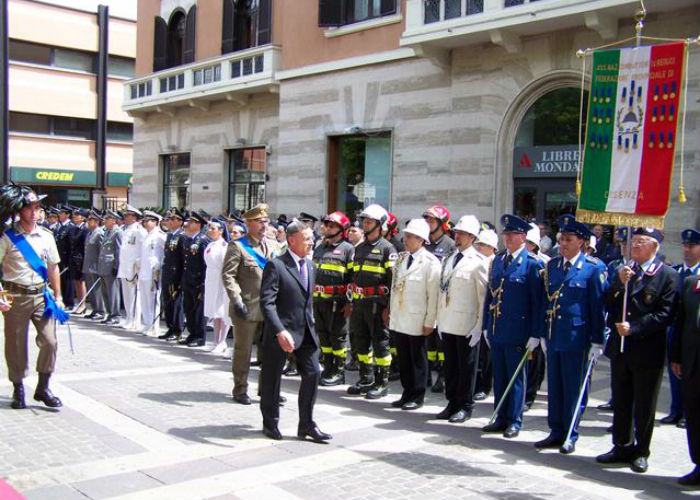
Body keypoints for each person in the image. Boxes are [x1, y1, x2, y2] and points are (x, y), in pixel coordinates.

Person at [597, 227, 679, 473]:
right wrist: (619, 284)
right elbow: (609, 303)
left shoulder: (667, 275)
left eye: (641, 241)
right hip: (621, 348)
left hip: (647, 349)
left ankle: (641, 450)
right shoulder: (623, 271)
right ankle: (621, 444)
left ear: (655, 246)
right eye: (634, 241)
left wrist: (634, 327)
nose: (634, 245)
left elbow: (665, 314)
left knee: (644, 402)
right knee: (621, 399)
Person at [535, 216, 606, 454]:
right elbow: (545, 301)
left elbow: (597, 307)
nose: (563, 244)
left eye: (568, 239)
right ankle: (555, 430)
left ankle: (570, 433)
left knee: (574, 388)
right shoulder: (552, 266)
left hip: (578, 339)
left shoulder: (592, 269)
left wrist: (598, 340)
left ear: (582, 242)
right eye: (561, 239)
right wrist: (542, 333)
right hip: (555, 336)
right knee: (555, 386)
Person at [259, 220, 330, 442]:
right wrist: (280, 331)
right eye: (307, 238)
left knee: (313, 373)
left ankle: (306, 424)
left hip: (306, 332)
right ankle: (270, 423)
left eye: (312, 238)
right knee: (272, 379)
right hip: (280, 332)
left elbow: (306, 302)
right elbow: (267, 303)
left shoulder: (310, 265)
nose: (312, 242)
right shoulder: (277, 265)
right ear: (292, 240)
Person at [0, 186, 66, 409]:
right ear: (20, 211)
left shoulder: (46, 236)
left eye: (37, 207)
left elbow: (53, 267)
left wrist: (58, 296)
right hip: (15, 297)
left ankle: (43, 387)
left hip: (41, 296)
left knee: (50, 341)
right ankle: (18, 387)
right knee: (15, 345)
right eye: (30, 208)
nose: (35, 212)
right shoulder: (7, 237)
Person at [482, 214, 544, 439]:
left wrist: (536, 334)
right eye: (506, 234)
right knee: (499, 376)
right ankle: (500, 415)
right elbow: (490, 296)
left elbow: (538, 303)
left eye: (513, 234)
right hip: (498, 330)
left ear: (523, 237)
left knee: (516, 378)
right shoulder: (498, 260)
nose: (508, 238)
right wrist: (486, 326)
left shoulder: (532, 264)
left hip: (519, 332)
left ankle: (515, 420)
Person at [222, 203, 278, 405]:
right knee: (243, 351)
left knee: (269, 352)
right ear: (249, 223)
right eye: (260, 222)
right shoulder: (238, 246)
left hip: (269, 308)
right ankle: (240, 389)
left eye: (266, 221)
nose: (265, 225)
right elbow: (228, 276)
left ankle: (267, 389)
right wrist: (236, 300)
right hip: (246, 307)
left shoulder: (272, 245)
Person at [435, 215, 488, 421]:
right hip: (448, 321)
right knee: (451, 367)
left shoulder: (479, 262)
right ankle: (452, 402)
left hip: (467, 325)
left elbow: (483, 297)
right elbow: (443, 289)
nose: (457, 236)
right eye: (456, 232)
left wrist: (479, 327)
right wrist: (440, 318)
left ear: (472, 237)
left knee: (466, 368)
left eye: (462, 234)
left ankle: (465, 406)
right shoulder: (449, 258)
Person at [388, 219, 440, 410]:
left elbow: (433, 295)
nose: (406, 239)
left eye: (410, 236)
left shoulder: (430, 262)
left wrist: (430, 321)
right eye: (406, 236)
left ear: (421, 239)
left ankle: (417, 395)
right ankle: (406, 392)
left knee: (417, 358)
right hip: (400, 317)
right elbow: (395, 288)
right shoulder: (402, 258)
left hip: (418, 318)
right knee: (404, 358)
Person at [346, 204, 397, 399]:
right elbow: (353, 277)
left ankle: (381, 382)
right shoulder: (359, 248)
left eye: (369, 222)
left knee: (380, 344)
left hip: (377, 305)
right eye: (364, 221)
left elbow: (393, 282)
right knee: (360, 342)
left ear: (380, 225)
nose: (365, 224)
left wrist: (389, 307)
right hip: (359, 303)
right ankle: (365, 378)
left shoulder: (387, 249)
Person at [312, 211, 354, 386]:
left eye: (331, 226)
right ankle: (328, 367)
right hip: (319, 300)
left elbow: (352, 278)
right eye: (326, 225)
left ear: (341, 229)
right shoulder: (320, 247)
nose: (326, 228)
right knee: (324, 336)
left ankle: (339, 372)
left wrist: (349, 302)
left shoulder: (348, 249)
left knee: (338, 337)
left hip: (337, 301)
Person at [664, 229, 700, 427]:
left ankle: (689, 412)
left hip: (693, 333)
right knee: (674, 372)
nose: (687, 250)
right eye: (685, 246)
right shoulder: (676, 272)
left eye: (692, 246)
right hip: (675, 329)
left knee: (692, 375)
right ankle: (675, 410)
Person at [422, 205, 456, 394]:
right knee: (428, 341)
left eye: (431, 220)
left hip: (442, 300)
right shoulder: (423, 242)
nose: (428, 223)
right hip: (425, 299)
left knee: (441, 341)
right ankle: (426, 373)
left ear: (442, 224)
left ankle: (442, 376)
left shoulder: (450, 245)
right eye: (426, 219)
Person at [671, 268, 700, 485]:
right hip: (692, 364)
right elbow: (679, 324)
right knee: (694, 416)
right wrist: (676, 357)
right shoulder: (691, 283)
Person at [473, 228, 498, 402]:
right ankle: (476, 384)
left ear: (492, 247)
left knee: (487, 355)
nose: (479, 248)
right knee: (476, 354)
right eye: (478, 244)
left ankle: (485, 386)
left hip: (490, 315)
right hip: (473, 314)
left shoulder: (495, 263)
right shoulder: (475, 262)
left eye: (482, 245)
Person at [180, 211, 210, 347]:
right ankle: (192, 333)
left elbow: (205, 264)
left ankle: (200, 336)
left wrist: (203, 282)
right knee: (188, 307)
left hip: (198, 281)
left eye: (191, 222)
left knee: (198, 310)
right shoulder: (189, 239)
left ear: (198, 224)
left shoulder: (203, 240)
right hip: (188, 279)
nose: (188, 224)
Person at [204, 219, 231, 355]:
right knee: (215, 312)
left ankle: (222, 341)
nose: (210, 230)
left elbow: (225, 267)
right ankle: (215, 340)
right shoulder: (210, 245)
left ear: (220, 231)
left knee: (222, 312)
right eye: (209, 228)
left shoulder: (224, 246)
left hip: (221, 281)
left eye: (213, 228)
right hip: (211, 280)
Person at [117, 206, 146, 331]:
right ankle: (129, 317)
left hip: (134, 268)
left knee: (134, 295)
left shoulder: (139, 230)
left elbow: (144, 248)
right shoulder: (125, 229)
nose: (126, 217)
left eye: (128, 215)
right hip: (125, 267)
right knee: (127, 295)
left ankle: (135, 320)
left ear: (135, 217)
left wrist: (139, 263)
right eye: (125, 215)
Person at [159, 209, 185, 341]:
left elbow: (182, 259)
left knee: (176, 303)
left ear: (180, 222)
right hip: (167, 271)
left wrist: (180, 278)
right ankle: (170, 327)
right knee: (167, 302)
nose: (169, 221)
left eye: (172, 219)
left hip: (175, 274)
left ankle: (177, 329)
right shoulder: (170, 235)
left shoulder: (182, 236)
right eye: (168, 219)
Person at [138, 210, 166, 336]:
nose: (145, 223)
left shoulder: (160, 236)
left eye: (148, 221)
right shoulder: (146, 235)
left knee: (153, 300)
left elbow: (167, 253)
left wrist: (159, 267)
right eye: (144, 221)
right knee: (144, 299)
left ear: (155, 222)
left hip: (153, 272)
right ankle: (147, 323)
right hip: (143, 271)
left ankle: (154, 326)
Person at [97, 211, 122, 325]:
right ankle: (109, 313)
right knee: (105, 291)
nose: (104, 221)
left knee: (113, 291)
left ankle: (115, 315)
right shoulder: (107, 232)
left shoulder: (117, 232)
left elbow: (118, 250)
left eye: (107, 219)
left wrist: (116, 266)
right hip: (103, 265)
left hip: (111, 265)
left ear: (113, 220)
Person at [81, 211, 105, 321]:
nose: (88, 222)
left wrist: (100, 267)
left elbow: (102, 251)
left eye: (90, 220)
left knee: (97, 290)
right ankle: (95, 309)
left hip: (95, 266)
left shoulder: (99, 233)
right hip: (88, 265)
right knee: (91, 290)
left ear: (96, 221)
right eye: (88, 220)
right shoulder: (90, 233)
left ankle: (100, 311)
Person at [68, 208, 89, 314]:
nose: (75, 217)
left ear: (83, 218)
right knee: (76, 282)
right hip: (73, 259)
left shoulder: (85, 230)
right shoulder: (73, 229)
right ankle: (79, 303)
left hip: (81, 259)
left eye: (77, 215)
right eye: (74, 215)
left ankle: (83, 304)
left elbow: (85, 246)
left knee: (81, 282)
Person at [55, 205, 74, 308]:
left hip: (67, 258)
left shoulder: (70, 227)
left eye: (62, 213)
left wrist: (70, 259)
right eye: (60, 213)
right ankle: (63, 300)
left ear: (67, 215)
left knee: (68, 281)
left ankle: (69, 302)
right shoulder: (61, 226)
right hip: (60, 257)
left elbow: (71, 244)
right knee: (61, 280)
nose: (60, 215)